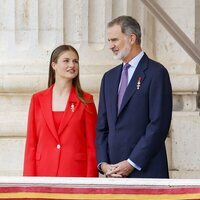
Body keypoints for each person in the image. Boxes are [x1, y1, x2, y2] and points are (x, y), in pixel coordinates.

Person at [96, 16, 172, 178]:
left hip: (146, 171)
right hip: (114, 175)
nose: (110, 46)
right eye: (109, 40)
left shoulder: (156, 73)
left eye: (114, 40)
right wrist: (103, 164)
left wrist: (132, 162)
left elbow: (158, 125)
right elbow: (102, 127)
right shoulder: (108, 78)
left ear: (132, 38)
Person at [23, 45, 98, 177]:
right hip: (43, 173)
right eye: (66, 60)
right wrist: (29, 183)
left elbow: (92, 146)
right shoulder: (37, 99)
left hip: (75, 175)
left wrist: (91, 183)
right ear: (54, 65)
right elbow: (31, 144)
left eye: (75, 61)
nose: (72, 65)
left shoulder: (86, 100)